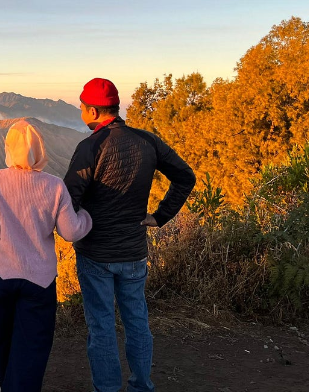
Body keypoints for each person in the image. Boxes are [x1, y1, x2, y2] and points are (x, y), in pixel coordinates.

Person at [64, 78, 196, 392]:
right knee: (137, 321)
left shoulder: (90, 148)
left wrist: (77, 225)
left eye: (82, 108)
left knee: (102, 327)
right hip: (134, 252)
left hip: (96, 253)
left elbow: (69, 199)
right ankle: (141, 386)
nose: (81, 112)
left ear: (93, 111)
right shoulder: (147, 141)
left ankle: (108, 389)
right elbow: (185, 177)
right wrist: (159, 216)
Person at [0, 120, 93, 392]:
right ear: (40, 150)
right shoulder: (54, 186)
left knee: (0, 337)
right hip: (38, 280)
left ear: (8, 149)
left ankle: (6, 383)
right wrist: (87, 216)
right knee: (32, 346)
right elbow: (71, 231)